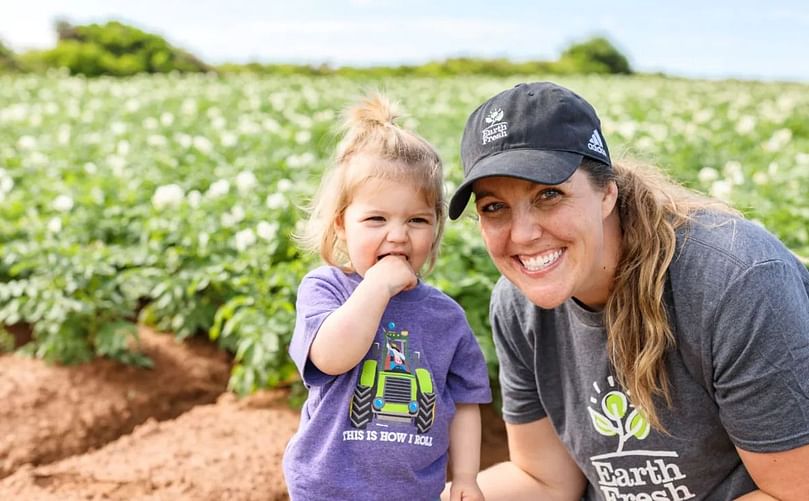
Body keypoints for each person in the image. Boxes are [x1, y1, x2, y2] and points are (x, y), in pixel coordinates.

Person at [443, 81, 809, 500]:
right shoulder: (516, 306)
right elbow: (544, 480)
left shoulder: (737, 281)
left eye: (548, 195)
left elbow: (794, 492)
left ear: (606, 195)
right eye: (494, 207)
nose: (523, 235)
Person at [283, 93, 492, 501]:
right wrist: (377, 287)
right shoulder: (325, 288)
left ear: (435, 230)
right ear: (342, 226)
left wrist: (466, 476)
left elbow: (466, 401)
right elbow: (331, 357)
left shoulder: (446, 316)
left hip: (414, 490)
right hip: (326, 488)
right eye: (376, 219)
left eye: (416, 220)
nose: (397, 235)